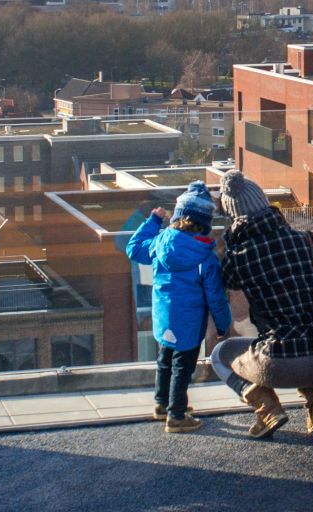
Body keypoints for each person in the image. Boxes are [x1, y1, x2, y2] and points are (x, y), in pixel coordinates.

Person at [211, 169, 313, 439]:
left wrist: (231, 239)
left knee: (220, 354)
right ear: (265, 204)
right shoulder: (307, 240)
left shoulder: (240, 255)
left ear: (233, 215)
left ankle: (268, 409)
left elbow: (227, 283)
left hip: (278, 362)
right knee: (309, 331)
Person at [123, 181, 232, 434]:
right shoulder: (206, 257)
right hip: (190, 322)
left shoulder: (160, 242)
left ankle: (162, 405)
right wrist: (223, 325)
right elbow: (216, 296)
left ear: (179, 216)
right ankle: (177, 415)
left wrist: (152, 222)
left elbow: (133, 249)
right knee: (183, 367)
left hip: (163, 316)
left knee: (165, 360)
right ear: (205, 222)